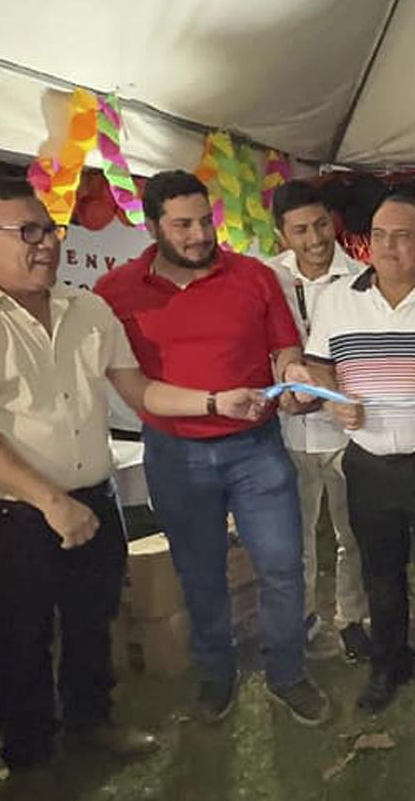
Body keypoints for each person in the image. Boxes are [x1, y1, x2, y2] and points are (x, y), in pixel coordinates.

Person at [0, 176, 266, 769]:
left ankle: (91, 723)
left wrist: (216, 401)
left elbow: (137, 389)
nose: (46, 245)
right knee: (20, 636)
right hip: (7, 512)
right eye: (27, 232)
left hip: (93, 493)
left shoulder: (85, 306)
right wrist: (48, 501)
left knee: (92, 622)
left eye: (50, 229)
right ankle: (30, 753)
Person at [95, 171, 331, 728]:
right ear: (152, 226)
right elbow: (127, 381)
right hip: (174, 452)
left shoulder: (252, 275)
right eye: (183, 225)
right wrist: (212, 402)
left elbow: (283, 347)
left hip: (255, 447)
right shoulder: (117, 291)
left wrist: (292, 374)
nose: (200, 234)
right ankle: (215, 676)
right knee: (198, 571)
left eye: (206, 220)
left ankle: (287, 673)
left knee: (280, 566)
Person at [301, 193, 415, 736]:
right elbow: (316, 364)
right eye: (380, 235)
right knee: (379, 572)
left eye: (402, 235)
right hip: (369, 462)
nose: (388, 246)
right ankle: (388, 664)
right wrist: (333, 398)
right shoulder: (337, 300)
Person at [265, 180, 371, 662]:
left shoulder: (362, 279)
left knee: (355, 533)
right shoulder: (266, 278)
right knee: (295, 535)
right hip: (287, 432)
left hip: (349, 427)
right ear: (281, 233)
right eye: (300, 229)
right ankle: (302, 618)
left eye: (321, 224)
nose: (314, 238)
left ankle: (353, 619)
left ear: (334, 222)